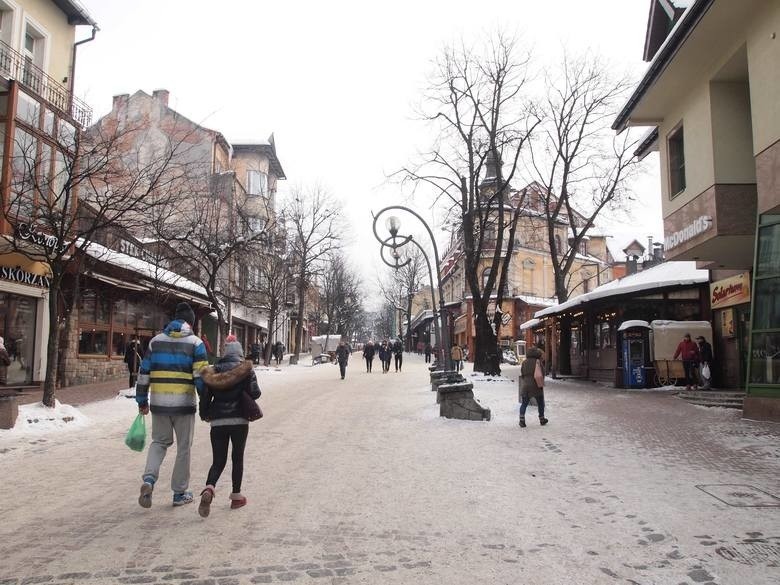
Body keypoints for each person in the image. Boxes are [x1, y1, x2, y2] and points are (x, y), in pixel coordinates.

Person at [135, 302, 209, 508]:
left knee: (159, 442)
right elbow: (200, 377)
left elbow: (144, 374)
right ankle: (179, 493)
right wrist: (207, 402)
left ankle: (148, 480)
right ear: (191, 323)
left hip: (159, 404)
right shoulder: (196, 344)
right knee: (184, 447)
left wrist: (142, 400)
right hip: (184, 405)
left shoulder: (155, 342)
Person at [197, 335, 261, 517]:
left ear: (224, 352)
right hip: (239, 420)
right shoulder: (245, 369)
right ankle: (236, 497)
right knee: (237, 457)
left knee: (218, 460)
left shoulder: (213, 371)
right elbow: (255, 393)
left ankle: (209, 488)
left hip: (217, 421)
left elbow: (204, 396)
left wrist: (205, 415)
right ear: (240, 352)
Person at [518, 346, 548, 427]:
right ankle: (542, 419)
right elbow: (542, 373)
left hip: (525, 385)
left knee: (524, 403)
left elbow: (522, 373)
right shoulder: (538, 362)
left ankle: (522, 420)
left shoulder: (524, 362)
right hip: (536, 385)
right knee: (540, 402)